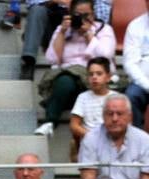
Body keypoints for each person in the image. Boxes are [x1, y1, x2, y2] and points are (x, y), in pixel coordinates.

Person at [34, 0, 115, 136]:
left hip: (91, 80)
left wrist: (88, 34)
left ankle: (50, 120)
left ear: (93, 14)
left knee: (65, 82)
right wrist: (61, 33)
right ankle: (49, 123)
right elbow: (52, 59)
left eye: (86, 15)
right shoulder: (63, 30)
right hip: (67, 80)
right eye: (78, 15)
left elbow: (105, 57)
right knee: (65, 81)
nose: (82, 19)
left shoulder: (103, 29)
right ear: (71, 15)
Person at [70, 57, 118, 159]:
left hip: (111, 142)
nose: (94, 77)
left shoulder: (117, 98)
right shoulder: (83, 97)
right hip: (90, 143)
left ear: (108, 77)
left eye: (99, 74)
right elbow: (74, 125)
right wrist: (92, 136)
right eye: (91, 74)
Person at [123, 0, 149, 127]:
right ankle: (136, 141)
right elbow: (130, 63)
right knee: (131, 96)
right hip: (142, 83)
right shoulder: (135, 25)